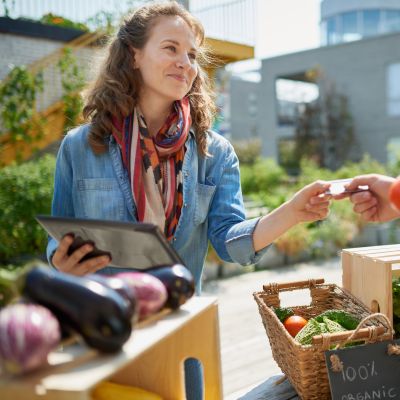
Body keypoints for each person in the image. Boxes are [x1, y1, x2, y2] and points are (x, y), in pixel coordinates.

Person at [46, 2, 332, 398]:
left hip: (179, 333)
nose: (185, 62)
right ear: (133, 55)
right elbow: (57, 236)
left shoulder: (213, 153)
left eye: (192, 54)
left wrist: (292, 213)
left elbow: (229, 244)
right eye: (170, 48)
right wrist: (60, 262)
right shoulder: (80, 147)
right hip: (100, 332)